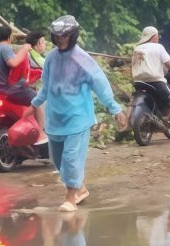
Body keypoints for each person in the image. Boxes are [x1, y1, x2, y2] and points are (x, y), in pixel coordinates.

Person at [28, 16, 126, 212]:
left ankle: (70, 198)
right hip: (55, 117)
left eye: (64, 36)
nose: (60, 39)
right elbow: (46, 87)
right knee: (58, 161)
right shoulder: (51, 58)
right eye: (57, 36)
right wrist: (33, 104)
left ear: (73, 35)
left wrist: (115, 109)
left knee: (71, 158)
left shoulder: (82, 59)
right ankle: (80, 189)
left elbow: (100, 84)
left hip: (77, 117)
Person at [0, 25, 35, 105]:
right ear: (9, 38)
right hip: (6, 90)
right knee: (37, 99)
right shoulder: (5, 48)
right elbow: (13, 63)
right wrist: (25, 49)